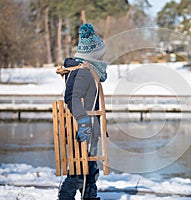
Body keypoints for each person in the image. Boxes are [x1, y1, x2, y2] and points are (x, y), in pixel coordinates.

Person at [58, 23, 107, 200]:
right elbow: (72, 97)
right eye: (101, 54)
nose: (104, 58)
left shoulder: (87, 71)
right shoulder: (84, 72)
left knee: (90, 172)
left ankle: (90, 197)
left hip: (88, 130)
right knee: (78, 173)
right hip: (82, 130)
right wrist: (84, 121)